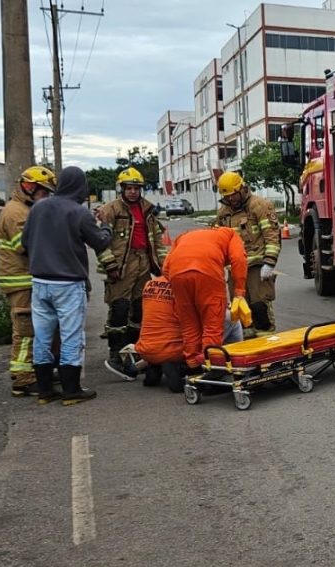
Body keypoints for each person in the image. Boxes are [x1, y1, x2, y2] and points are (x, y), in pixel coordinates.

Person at [21, 166, 113, 405]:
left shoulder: (37, 208)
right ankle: (71, 390)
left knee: (42, 336)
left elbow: (24, 242)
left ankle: (45, 390)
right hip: (68, 284)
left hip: (40, 282)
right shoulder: (78, 212)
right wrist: (105, 226)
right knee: (71, 335)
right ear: (81, 187)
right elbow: (99, 242)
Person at [96, 167, 167, 379]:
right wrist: (110, 265)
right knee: (119, 307)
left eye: (136, 188)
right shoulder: (110, 210)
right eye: (129, 188)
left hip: (143, 261)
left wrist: (164, 266)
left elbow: (157, 241)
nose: (133, 192)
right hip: (121, 265)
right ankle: (116, 354)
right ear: (122, 189)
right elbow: (99, 241)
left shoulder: (148, 210)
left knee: (140, 309)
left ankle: (135, 352)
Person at [0, 165, 58, 397]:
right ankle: (23, 378)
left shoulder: (25, 209)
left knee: (39, 329)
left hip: (29, 280)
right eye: (44, 192)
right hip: (21, 282)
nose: (47, 197)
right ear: (30, 187)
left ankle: (38, 371)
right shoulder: (15, 213)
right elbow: (26, 245)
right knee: (25, 332)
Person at [128, 274, 243, 392]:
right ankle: (233, 366)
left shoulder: (150, 284)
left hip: (146, 349)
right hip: (173, 351)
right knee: (230, 317)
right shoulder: (185, 287)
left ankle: (154, 365)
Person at [163, 226, 248, 371]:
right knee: (212, 325)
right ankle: (211, 367)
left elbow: (165, 268)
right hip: (208, 273)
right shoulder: (232, 235)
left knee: (189, 326)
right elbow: (239, 259)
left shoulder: (183, 236)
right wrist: (239, 292)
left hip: (177, 274)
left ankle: (192, 366)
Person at [213, 172, 280, 337]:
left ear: (242, 189)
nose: (231, 200)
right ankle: (247, 348)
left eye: (233, 195)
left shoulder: (260, 206)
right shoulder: (224, 212)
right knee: (240, 311)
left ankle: (267, 349)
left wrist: (269, 263)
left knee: (260, 310)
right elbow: (217, 239)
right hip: (235, 270)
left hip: (257, 267)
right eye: (227, 197)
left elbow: (272, 236)